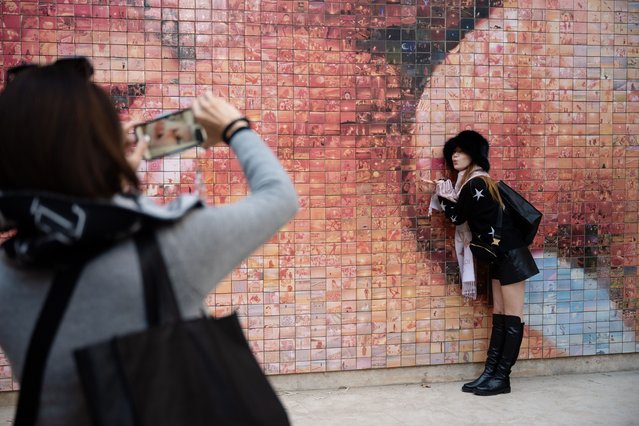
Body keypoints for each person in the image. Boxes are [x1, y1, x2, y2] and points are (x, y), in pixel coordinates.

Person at [0, 57, 299, 425]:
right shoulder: (170, 244)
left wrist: (100, 182)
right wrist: (236, 128)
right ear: (103, 144)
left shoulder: (8, 270)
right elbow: (278, 197)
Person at [420, 130, 539, 396]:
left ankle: (501, 377)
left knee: (512, 317)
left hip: (511, 255)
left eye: (461, 151)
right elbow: (461, 211)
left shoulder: (477, 184)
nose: (455, 155)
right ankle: (490, 373)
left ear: (475, 155)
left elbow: (457, 216)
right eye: (453, 151)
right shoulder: (471, 184)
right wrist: (443, 191)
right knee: (499, 315)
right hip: (501, 255)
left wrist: (439, 191)